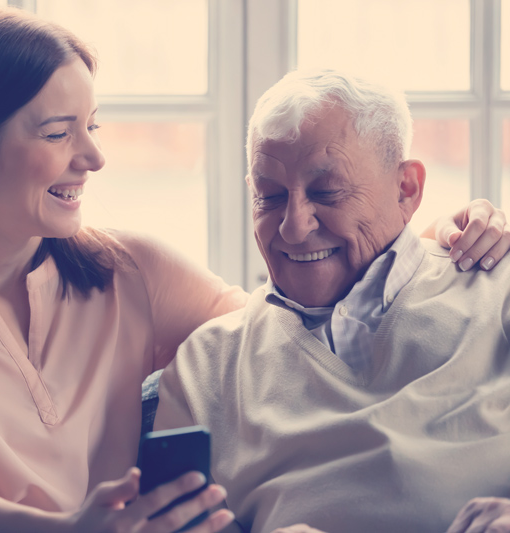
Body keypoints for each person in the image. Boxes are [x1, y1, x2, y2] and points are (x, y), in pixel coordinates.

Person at [0, 9, 507, 533]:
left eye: (94, 126)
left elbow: (306, 315)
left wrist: (439, 242)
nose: (92, 156)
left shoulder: (127, 272)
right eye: (59, 132)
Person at [154, 68, 510, 533]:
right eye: (270, 196)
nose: (293, 226)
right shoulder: (205, 366)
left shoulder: (494, 285)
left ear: (407, 189)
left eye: (326, 192)